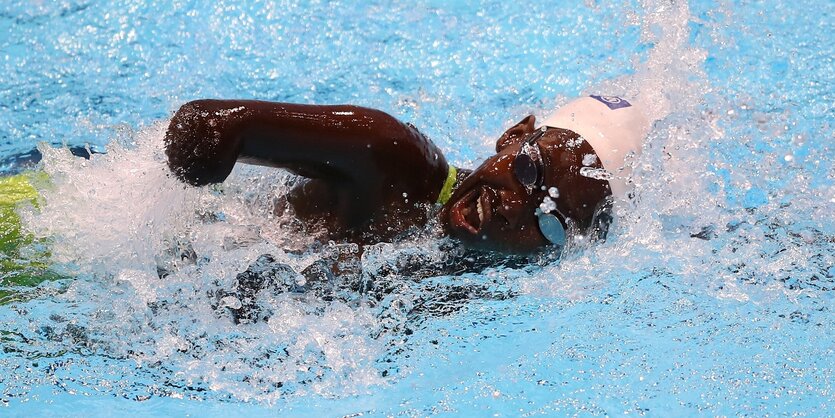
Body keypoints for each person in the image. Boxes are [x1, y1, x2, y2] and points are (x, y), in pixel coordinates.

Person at [164, 95, 650, 255]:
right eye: (528, 170)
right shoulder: (390, 158)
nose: (516, 205)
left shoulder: (498, 269)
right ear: (513, 135)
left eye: (552, 224)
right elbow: (208, 124)